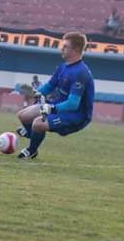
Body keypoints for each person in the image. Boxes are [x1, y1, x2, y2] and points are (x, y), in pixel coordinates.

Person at [13, 32, 95, 160]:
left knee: (38, 123)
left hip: (76, 115)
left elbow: (73, 104)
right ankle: (31, 134)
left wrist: (51, 108)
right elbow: (49, 86)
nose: (61, 48)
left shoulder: (81, 72)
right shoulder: (62, 67)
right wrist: (36, 92)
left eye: (65, 46)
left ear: (76, 50)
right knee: (23, 115)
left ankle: (31, 150)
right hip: (57, 106)